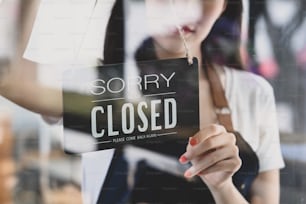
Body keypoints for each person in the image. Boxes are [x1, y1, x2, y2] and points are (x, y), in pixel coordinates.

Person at [0, 0, 284, 203]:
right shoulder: (102, 87)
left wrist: (223, 187)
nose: (183, 5)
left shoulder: (253, 93)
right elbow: (9, 79)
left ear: (225, 4)